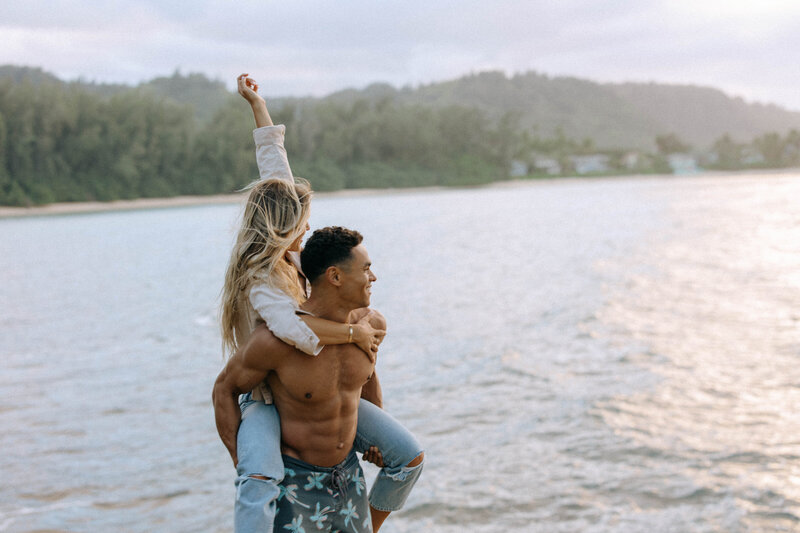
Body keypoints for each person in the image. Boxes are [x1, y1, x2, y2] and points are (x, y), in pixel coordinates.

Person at [215, 74, 424, 532]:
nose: (307, 230)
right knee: (259, 479)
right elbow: (294, 330)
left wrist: (258, 106)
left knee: (407, 457)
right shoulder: (262, 278)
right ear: (281, 229)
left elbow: (275, 167)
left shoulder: (291, 255)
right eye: (302, 224)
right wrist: (353, 332)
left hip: (319, 376)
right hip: (266, 395)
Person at [215, 227, 418, 532]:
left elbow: (367, 375)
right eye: (365, 269)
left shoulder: (371, 324)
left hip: (348, 478)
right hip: (295, 486)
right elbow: (224, 390)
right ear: (335, 277)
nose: (373, 277)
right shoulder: (276, 343)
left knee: (411, 460)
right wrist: (241, 461)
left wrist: (376, 435)